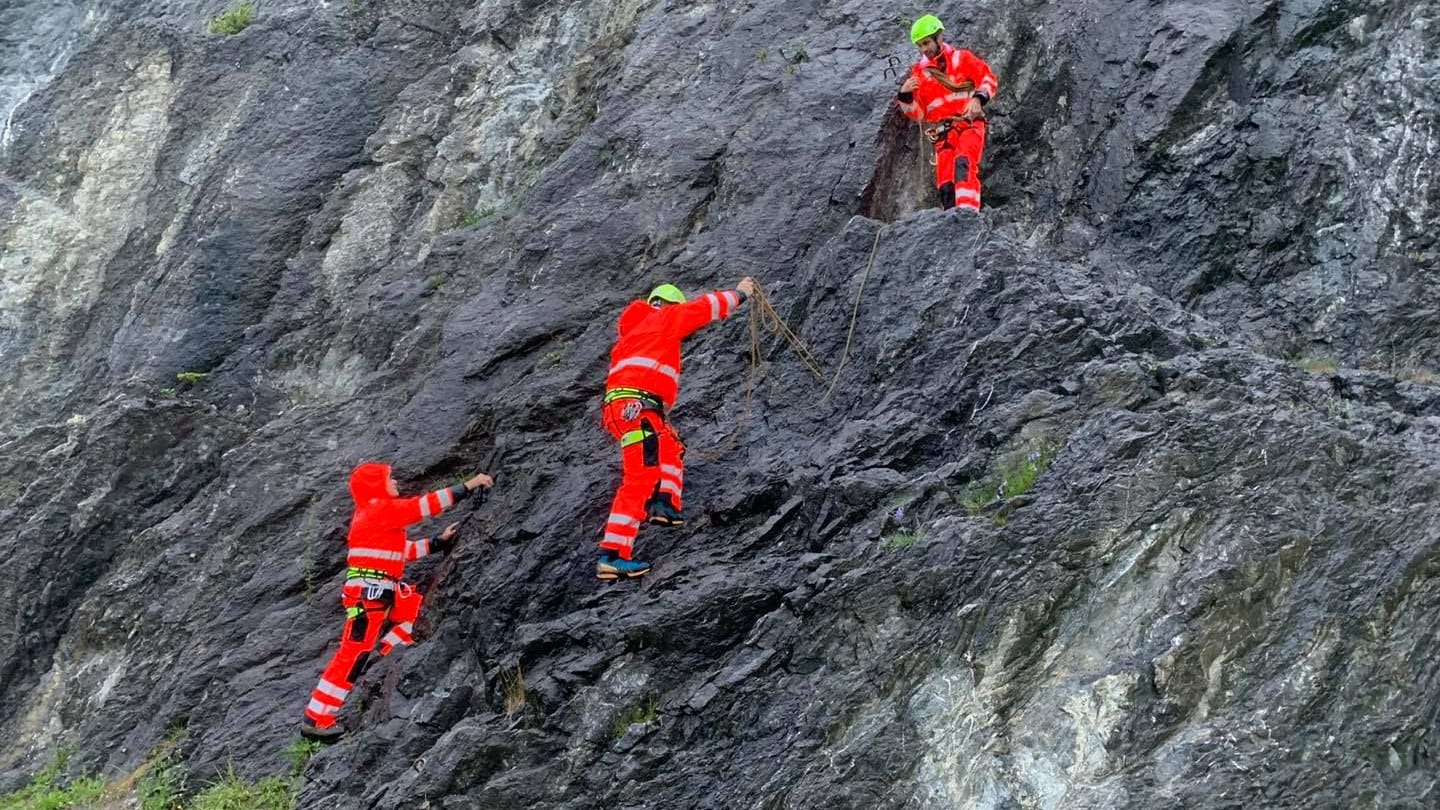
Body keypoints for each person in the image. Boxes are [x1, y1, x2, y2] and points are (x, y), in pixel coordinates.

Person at [300, 463, 493, 741]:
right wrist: (469, 485)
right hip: (369, 596)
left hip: (375, 593)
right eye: (388, 478)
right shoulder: (379, 508)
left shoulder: (371, 515)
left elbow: (400, 551)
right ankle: (317, 718)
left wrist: (437, 542)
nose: (395, 482)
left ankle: (387, 654)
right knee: (352, 655)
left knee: (412, 615)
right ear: (375, 485)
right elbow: (423, 506)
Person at [596, 278, 755, 579]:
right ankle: (613, 555)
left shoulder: (634, 331)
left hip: (627, 410)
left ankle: (665, 504)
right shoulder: (665, 318)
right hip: (638, 408)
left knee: (670, 445)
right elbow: (704, 308)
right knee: (640, 479)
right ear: (669, 305)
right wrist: (740, 293)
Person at [897, 14, 998, 212]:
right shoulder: (919, 74)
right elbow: (919, 114)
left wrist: (977, 99)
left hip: (969, 124)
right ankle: (951, 219)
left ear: (939, 37)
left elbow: (988, 78)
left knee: (964, 162)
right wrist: (905, 95)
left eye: (926, 43)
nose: (924, 49)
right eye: (920, 45)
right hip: (944, 134)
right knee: (945, 181)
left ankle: (968, 214)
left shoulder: (963, 59)